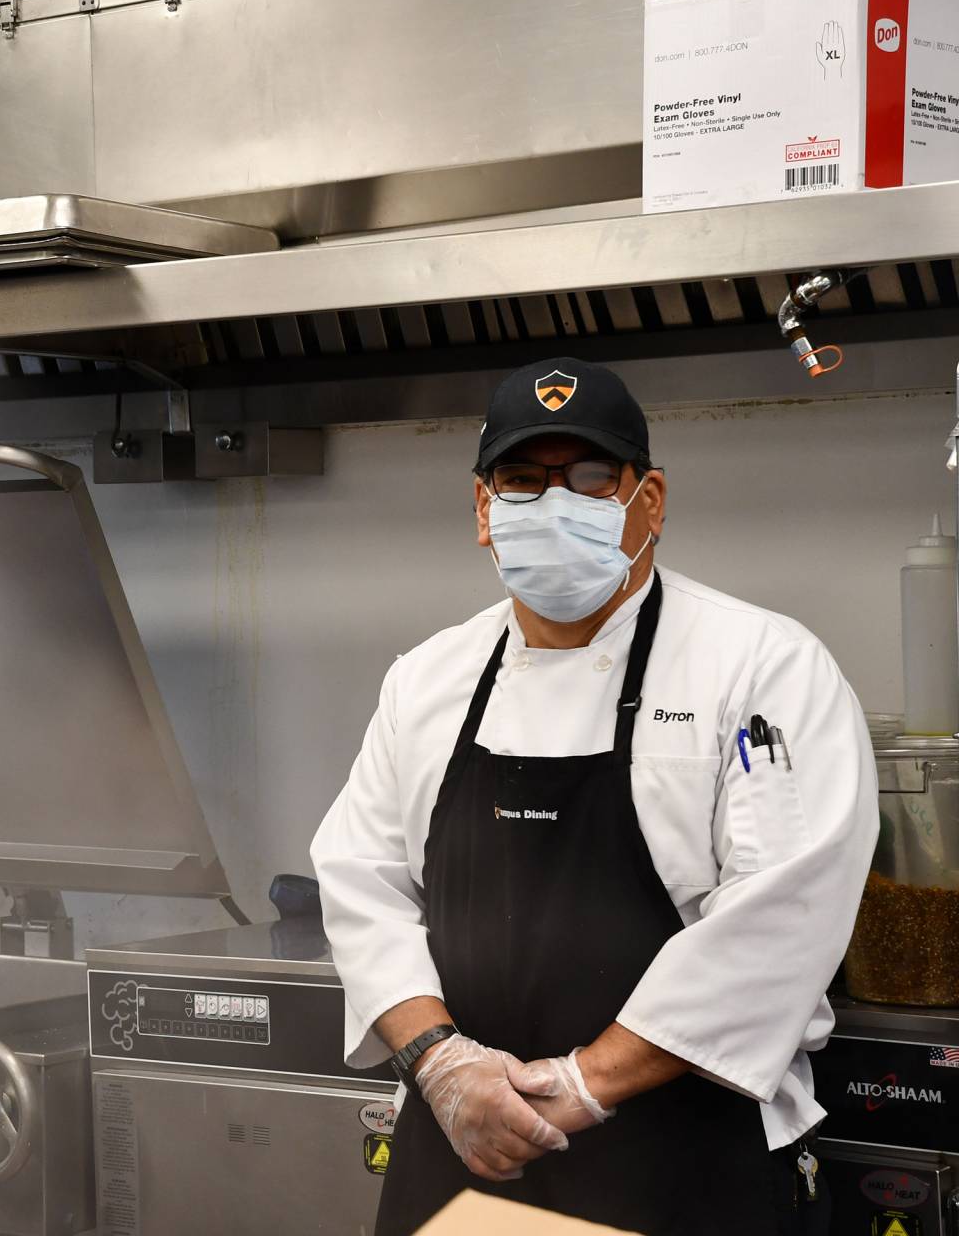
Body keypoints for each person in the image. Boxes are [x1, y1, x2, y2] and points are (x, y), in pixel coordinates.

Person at [311, 357, 876, 1235]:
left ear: (648, 500)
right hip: (465, 1154)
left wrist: (584, 1083)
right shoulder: (427, 678)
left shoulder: (760, 665)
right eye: (523, 481)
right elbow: (361, 884)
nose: (552, 502)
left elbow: (781, 916)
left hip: (682, 1159)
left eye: (587, 477)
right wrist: (441, 1063)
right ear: (483, 510)